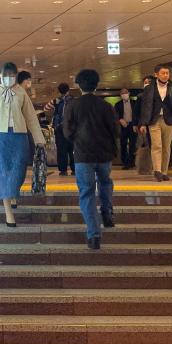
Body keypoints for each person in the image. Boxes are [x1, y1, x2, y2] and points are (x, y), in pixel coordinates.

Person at [0, 62, 46, 227]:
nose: (9, 78)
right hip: (1, 136)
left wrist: (39, 138)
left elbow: (31, 117)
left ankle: (14, 192)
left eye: (12, 76)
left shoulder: (21, 92)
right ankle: (8, 213)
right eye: (6, 75)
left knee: (19, 170)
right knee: (3, 171)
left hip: (20, 136)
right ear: (0, 75)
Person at [62, 69, 116, 251]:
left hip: (83, 156)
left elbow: (67, 132)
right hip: (104, 154)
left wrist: (78, 139)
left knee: (86, 192)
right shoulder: (106, 106)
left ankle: (94, 235)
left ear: (78, 85)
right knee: (105, 182)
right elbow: (115, 131)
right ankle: (107, 212)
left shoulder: (72, 106)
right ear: (97, 84)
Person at [138, 64, 172, 182]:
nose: (165, 75)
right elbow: (145, 107)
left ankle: (164, 171)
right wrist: (143, 123)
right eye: (163, 73)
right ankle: (157, 170)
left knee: (166, 147)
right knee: (156, 145)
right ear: (156, 74)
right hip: (154, 120)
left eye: (167, 73)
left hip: (169, 121)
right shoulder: (149, 89)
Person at [48, 83, 75, 176]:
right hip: (71, 129)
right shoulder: (74, 100)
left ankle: (63, 170)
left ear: (59, 91)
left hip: (59, 128)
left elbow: (46, 108)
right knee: (72, 149)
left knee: (61, 149)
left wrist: (54, 102)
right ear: (68, 90)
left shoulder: (56, 101)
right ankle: (74, 169)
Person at [114, 88, 137, 169]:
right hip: (123, 126)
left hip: (132, 126)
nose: (124, 94)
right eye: (122, 93)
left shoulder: (134, 103)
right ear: (120, 95)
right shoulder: (118, 104)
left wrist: (136, 124)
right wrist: (120, 120)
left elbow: (137, 114)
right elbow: (115, 115)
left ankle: (131, 162)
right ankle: (125, 163)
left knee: (132, 145)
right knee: (123, 144)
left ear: (129, 93)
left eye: (125, 93)